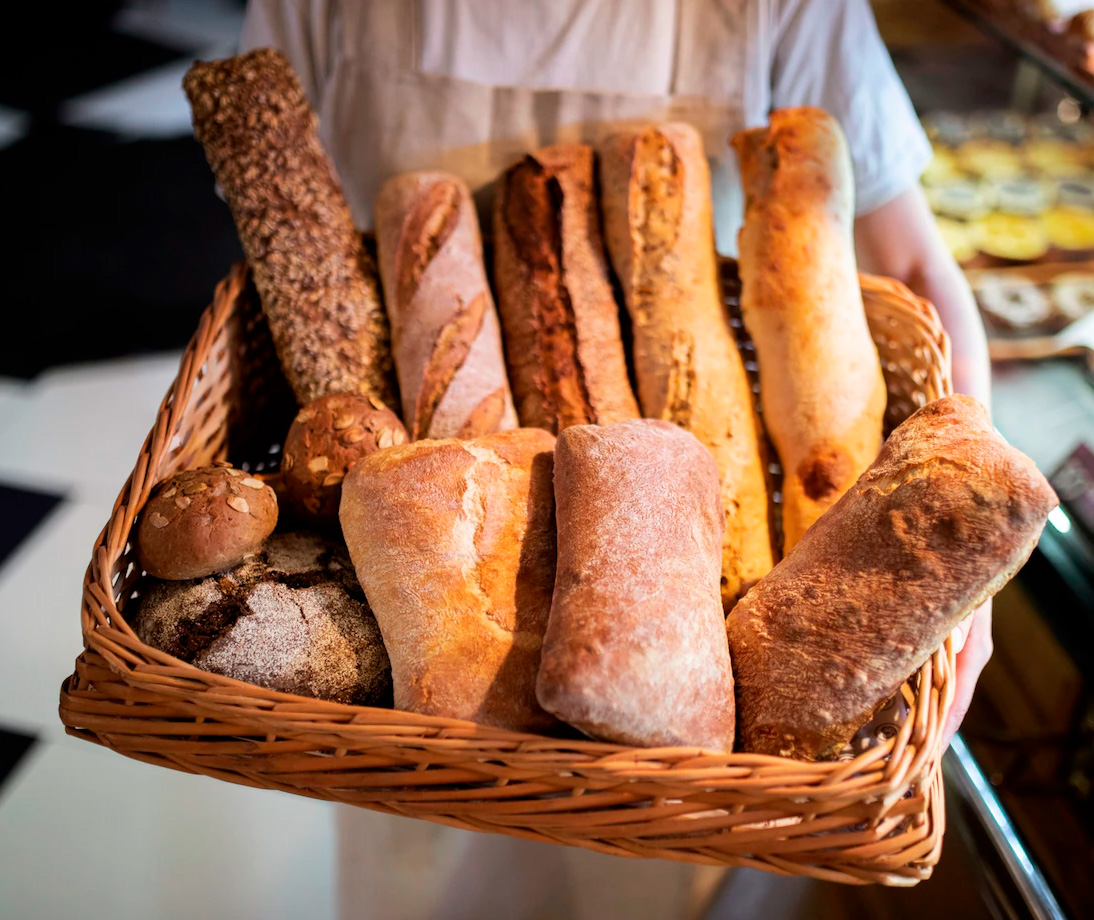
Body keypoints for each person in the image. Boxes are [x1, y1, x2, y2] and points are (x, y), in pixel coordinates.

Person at [239, 2, 994, 916]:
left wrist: (968, 568)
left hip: (684, 737)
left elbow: (911, 267)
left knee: (660, 889)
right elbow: (279, 218)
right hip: (426, 703)